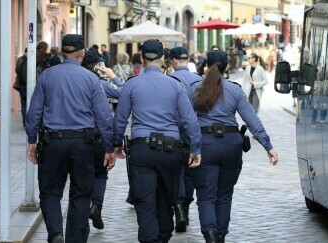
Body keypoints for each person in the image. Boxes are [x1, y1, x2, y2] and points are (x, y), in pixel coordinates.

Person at [25, 34, 116, 243]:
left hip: (52, 142)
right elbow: (103, 117)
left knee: (49, 191)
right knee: (82, 192)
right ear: (82, 53)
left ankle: (56, 233)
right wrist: (109, 147)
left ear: (62, 52)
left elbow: (33, 113)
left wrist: (32, 141)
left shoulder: (47, 76)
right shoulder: (91, 78)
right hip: (83, 143)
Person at [112, 39, 202, 243]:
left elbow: (120, 118)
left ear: (142, 58)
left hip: (142, 150)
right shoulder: (175, 85)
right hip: (171, 151)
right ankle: (162, 237)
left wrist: (116, 144)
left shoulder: (131, 85)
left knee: (144, 203)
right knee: (166, 201)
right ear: (163, 59)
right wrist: (195, 148)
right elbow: (189, 120)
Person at [189, 50, 278, 243]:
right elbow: (252, 119)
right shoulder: (235, 90)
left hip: (205, 144)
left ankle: (210, 234)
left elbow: (185, 120)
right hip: (231, 144)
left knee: (205, 194)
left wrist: (189, 147)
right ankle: (220, 236)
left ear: (205, 66)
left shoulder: (194, 89)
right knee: (224, 195)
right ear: (227, 67)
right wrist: (267, 146)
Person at [80, 50, 124, 230]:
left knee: (81, 175)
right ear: (97, 67)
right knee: (100, 173)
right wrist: (113, 76)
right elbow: (122, 93)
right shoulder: (100, 84)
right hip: (98, 136)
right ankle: (96, 205)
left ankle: (81, 213)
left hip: (77, 136)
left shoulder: (75, 82)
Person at [167, 47, 203, 233]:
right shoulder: (199, 80)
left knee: (178, 171)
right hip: (194, 131)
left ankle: (178, 206)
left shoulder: (169, 80)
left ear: (173, 60)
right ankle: (185, 209)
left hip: (173, 131)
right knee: (190, 170)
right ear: (187, 59)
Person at [13, 48, 28, 127]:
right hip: (31, 85)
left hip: (22, 85)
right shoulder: (35, 59)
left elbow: (16, 70)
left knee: (24, 104)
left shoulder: (20, 59)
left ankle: (25, 122)